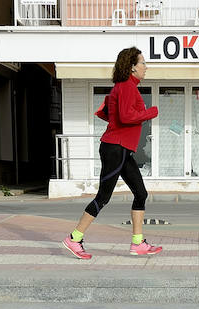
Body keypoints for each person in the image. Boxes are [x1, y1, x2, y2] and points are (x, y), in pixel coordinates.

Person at [63, 47, 163, 260]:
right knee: (104, 196)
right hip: (115, 148)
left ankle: (138, 243)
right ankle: (74, 238)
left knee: (141, 193)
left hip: (122, 149)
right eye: (143, 63)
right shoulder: (126, 86)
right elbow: (127, 117)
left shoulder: (125, 87)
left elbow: (111, 112)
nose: (146, 67)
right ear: (132, 67)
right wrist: (151, 112)